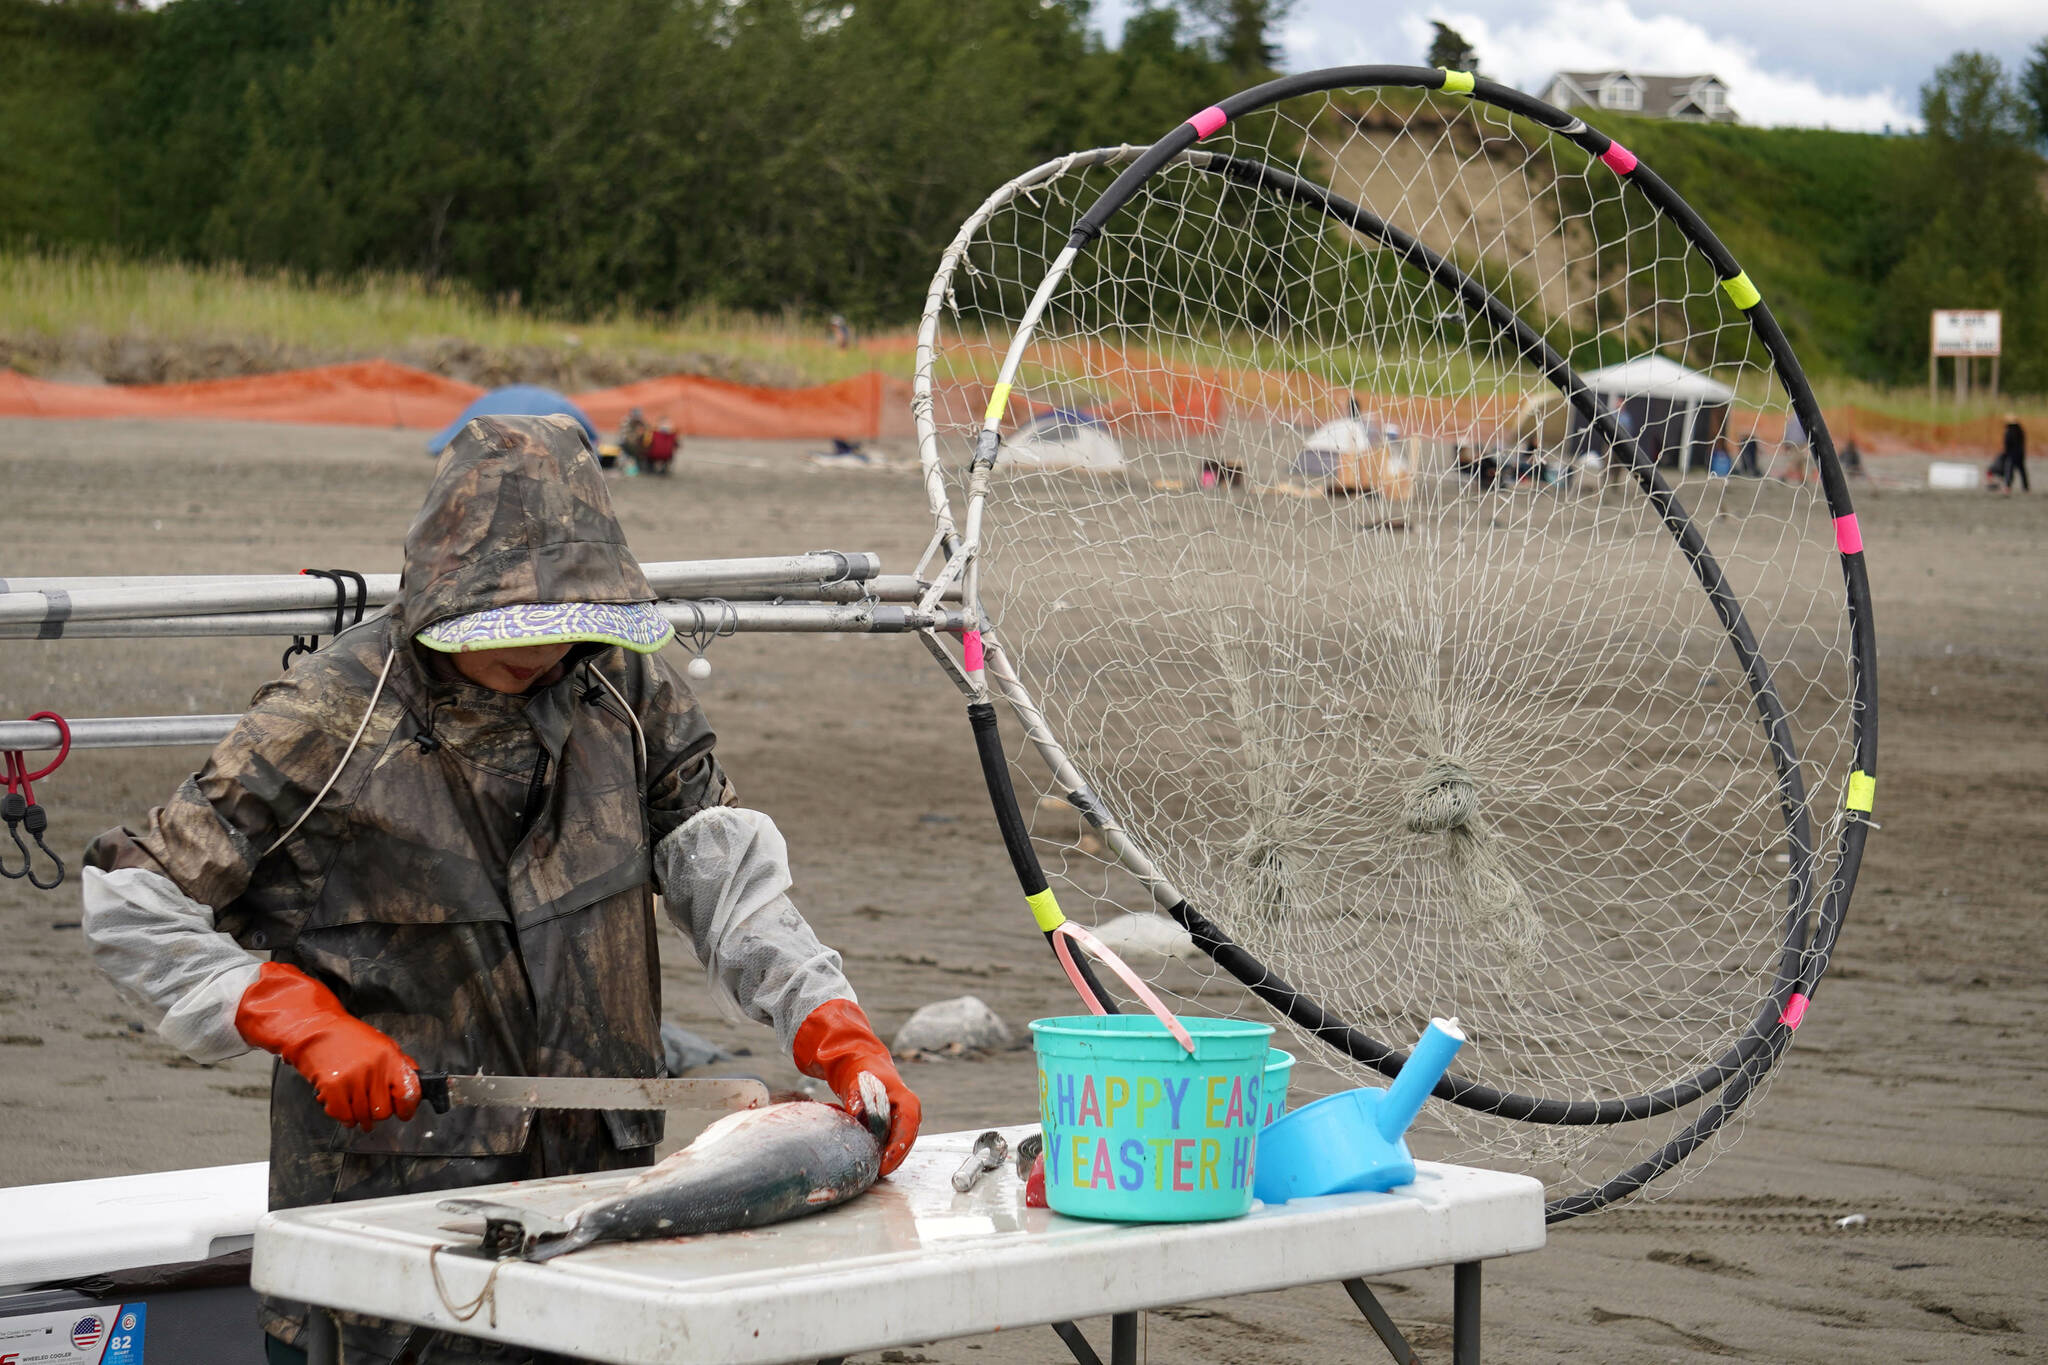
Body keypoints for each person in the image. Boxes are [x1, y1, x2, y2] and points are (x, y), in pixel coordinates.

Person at [78, 416, 920, 1365]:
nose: (549, 655)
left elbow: (725, 873)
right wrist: (290, 1014)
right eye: (519, 628)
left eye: (571, 628)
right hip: (389, 1252)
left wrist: (829, 1020)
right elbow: (134, 897)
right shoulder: (329, 718)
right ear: (447, 599)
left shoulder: (625, 690)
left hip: (603, 1222)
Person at [617, 406, 651, 473]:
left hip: (639, 446)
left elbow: (648, 432)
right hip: (628, 445)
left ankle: (644, 465)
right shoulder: (626, 422)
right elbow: (624, 437)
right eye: (635, 416)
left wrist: (642, 434)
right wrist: (637, 436)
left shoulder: (642, 423)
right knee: (623, 445)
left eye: (638, 416)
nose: (637, 418)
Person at [2000, 412, 2028, 493]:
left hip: (2012, 454)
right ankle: (2026, 487)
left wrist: (2006, 453)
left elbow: (2007, 444)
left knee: (2009, 470)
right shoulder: (2020, 430)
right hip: (2020, 453)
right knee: (2022, 471)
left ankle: (2007, 487)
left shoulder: (2009, 431)